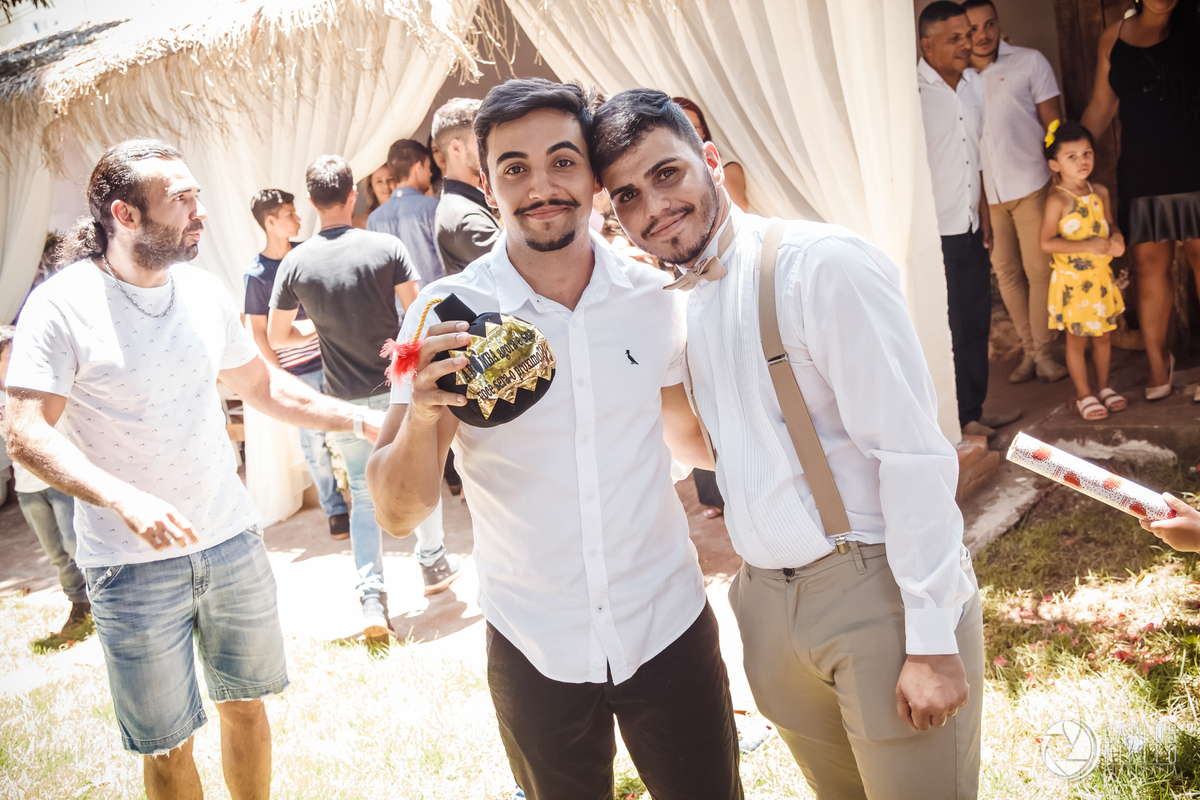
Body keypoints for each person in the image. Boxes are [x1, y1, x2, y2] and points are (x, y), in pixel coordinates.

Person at [593, 87, 983, 800]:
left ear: (711, 160)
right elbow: (716, 448)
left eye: (667, 173)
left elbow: (912, 452)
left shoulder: (820, 264)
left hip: (874, 592)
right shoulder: (680, 305)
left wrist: (931, 639)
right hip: (765, 605)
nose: (654, 207)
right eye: (627, 196)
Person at [367, 78, 743, 800]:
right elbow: (398, 512)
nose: (542, 187)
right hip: (533, 642)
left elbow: (690, 437)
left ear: (594, 176)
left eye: (563, 162)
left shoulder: (650, 297)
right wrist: (422, 415)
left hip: (667, 622)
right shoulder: (444, 317)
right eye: (515, 168)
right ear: (486, 184)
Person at [4, 138, 386, 800]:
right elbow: (25, 431)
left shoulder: (204, 292)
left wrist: (357, 420)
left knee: (247, 706)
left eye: (197, 195)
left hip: (231, 541)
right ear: (125, 215)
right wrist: (123, 498)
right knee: (168, 744)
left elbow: (262, 386)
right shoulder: (60, 306)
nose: (200, 211)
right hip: (131, 566)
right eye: (181, 199)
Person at [267, 155, 462, 624]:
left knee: (362, 491)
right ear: (352, 195)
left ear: (311, 201)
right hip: (396, 389)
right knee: (422, 471)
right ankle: (433, 561)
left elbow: (276, 335)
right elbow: (419, 314)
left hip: (343, 397)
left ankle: (372, 597)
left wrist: (318, 330)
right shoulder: (385, 246)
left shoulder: (294, 262)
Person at [1082, 0, 1200, 400]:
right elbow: (1102, 105)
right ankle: (1157, 363)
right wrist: (1071, 150)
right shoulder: (1113, 38)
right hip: (1143, 170)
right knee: (1149, 267)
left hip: (1196, 166)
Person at [918, 1, 1019, 439]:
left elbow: (974, 156)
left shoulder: (974, 84)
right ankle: (954, 420)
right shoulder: (911, 95)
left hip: (971, 226)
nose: (968, 43)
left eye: (969, 34)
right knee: (949, 327)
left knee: (977, 320)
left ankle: (972, 411)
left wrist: (985, 210)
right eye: (955, 37)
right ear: (927, 45)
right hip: (934, 232)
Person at [964, 0, 1069, 385]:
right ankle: (1030, 352)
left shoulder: (1029, 62)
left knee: (1039, 271)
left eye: (989, 24)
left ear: (998, 24)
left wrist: (1059, 178)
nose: (983, 34)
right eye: (973, 28)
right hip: (987, 197)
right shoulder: (955, 80)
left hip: (1031, 183)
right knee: (1007, 273)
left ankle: (1044, 354)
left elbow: (1054, 125)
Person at [245, 189, 351, 540]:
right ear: (270, 222)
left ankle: (367, 497)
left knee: (351, 429)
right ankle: (335, 509)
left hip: (334, 359)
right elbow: (258, 332)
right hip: (297, 372)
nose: (298, 219)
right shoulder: (257, 274)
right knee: (314, 441)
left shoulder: (308, 252)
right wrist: (278, 375)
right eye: (290, 214)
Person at [0, 324, 91, 639]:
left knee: (75, 544)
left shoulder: (42, 384)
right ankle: (79, 605)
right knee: (56, 552)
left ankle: (103, 599)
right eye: (9, 355)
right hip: (26, 488)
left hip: (59, 479)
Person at [1039, 122, 1127, 421]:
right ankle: (1083, 394)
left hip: (1100, 280)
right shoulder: (1058, 200)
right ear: (1055, 164)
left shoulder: (1099, 192)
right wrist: (1087, 245)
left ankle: (1103, 388)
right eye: (1072, 156)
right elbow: (1046, 242)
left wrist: (1117, 238)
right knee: (1077, 340)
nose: (1082, 161)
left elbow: (1110, 224)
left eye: (1087, 153)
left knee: (1103, 336)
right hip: (1073, 284)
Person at [431, 98, 502, 275]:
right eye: (481, 140)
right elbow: (527, 270)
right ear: (456, 148)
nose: (490, 148)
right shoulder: (467, 219)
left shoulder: (461, 204)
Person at [368, 139, 444, 289]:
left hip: (397, 303)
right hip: (436, 299)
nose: (430, 173)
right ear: (418, 167)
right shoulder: (433, 207)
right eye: (428, 167)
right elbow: (446, 262)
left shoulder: (374, 219)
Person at [673, 97, 749, 212]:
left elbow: (740, 205)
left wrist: (700, 157)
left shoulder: (726, 165)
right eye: (678, 129)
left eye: (692, 128)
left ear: (703, 132)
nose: (686, 135)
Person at [352, 164, 396, 229]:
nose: (386, 186)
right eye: (379, 181)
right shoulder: (363, 222)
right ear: (371, 187)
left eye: (390, 179)